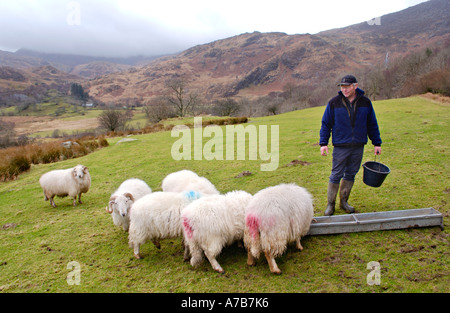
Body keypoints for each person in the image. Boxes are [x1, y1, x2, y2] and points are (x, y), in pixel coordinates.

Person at [319, 75, 382, 216]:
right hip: (341, 146)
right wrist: (323, 143)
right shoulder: (334, 103)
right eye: (342, 87)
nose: (344, 89)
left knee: (351, 174)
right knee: (336, 174)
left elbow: (372, 123)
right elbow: (326, 124)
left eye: (347, 86)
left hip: (358, 145)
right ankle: (331, 204)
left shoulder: (365, 102)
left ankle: (344, 202)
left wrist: (376, 143)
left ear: (355, 86)